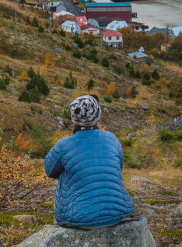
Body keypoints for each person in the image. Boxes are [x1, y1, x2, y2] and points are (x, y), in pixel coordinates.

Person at [43, 94, 135, 228]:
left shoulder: (64, 145)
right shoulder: (112, 139)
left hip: (80, 220)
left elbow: (49, 170)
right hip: (118, 214)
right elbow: (118, 167)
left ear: (73, 117)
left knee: (64, 170)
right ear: (98, 115)